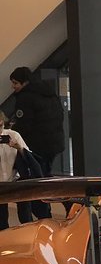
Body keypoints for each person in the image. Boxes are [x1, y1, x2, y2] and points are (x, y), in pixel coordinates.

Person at [7, 67, 64, 221]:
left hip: (37, 147)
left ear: (24, 82)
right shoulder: (48, 92)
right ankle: (50, 209)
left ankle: (43, 214)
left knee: (33, 182)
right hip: (54, 144)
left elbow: (25, 125)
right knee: (44, 176)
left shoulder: (25, 98)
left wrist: (12, 133)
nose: (13, 86)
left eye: (15, 83)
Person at [0, 117, 33, 230]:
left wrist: (18, 147)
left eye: (1, 125)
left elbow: (30, 158)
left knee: (25, 216)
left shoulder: (14, 135)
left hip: (16, 180)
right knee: (1, 219)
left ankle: (27, 236)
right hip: (0, 184)